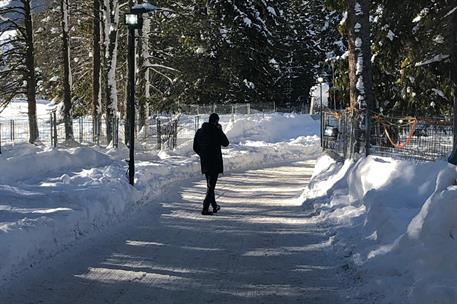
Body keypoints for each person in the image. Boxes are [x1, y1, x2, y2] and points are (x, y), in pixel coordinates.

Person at [193, 113, 229, 215]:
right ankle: (205, 208)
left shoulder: (199, 132)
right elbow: (226, 143)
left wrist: (203, 155)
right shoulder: (216, 131)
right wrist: (220, 130)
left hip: (205, 162)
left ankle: (214, 205)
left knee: (210, 185)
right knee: (211, 186)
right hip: (215, 162)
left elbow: (195, 147)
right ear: (217, 121)